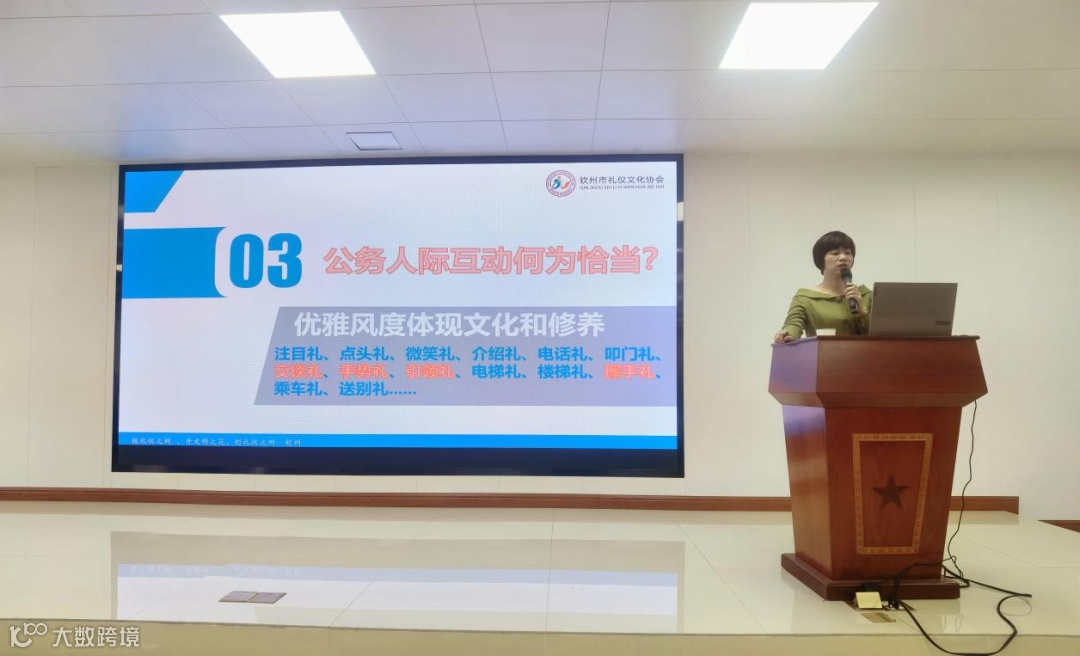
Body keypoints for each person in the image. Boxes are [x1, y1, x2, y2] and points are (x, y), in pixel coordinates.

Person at [773, 231, 873, 344]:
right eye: (835, 253)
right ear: (821, 260)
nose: (843, 257)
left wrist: (863, 312)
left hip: (864, 355)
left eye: (848, 253)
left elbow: (880, 336)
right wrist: (786, 334)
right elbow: (793, 324)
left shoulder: (866, 295)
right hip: (824, 355)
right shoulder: (805, 298)